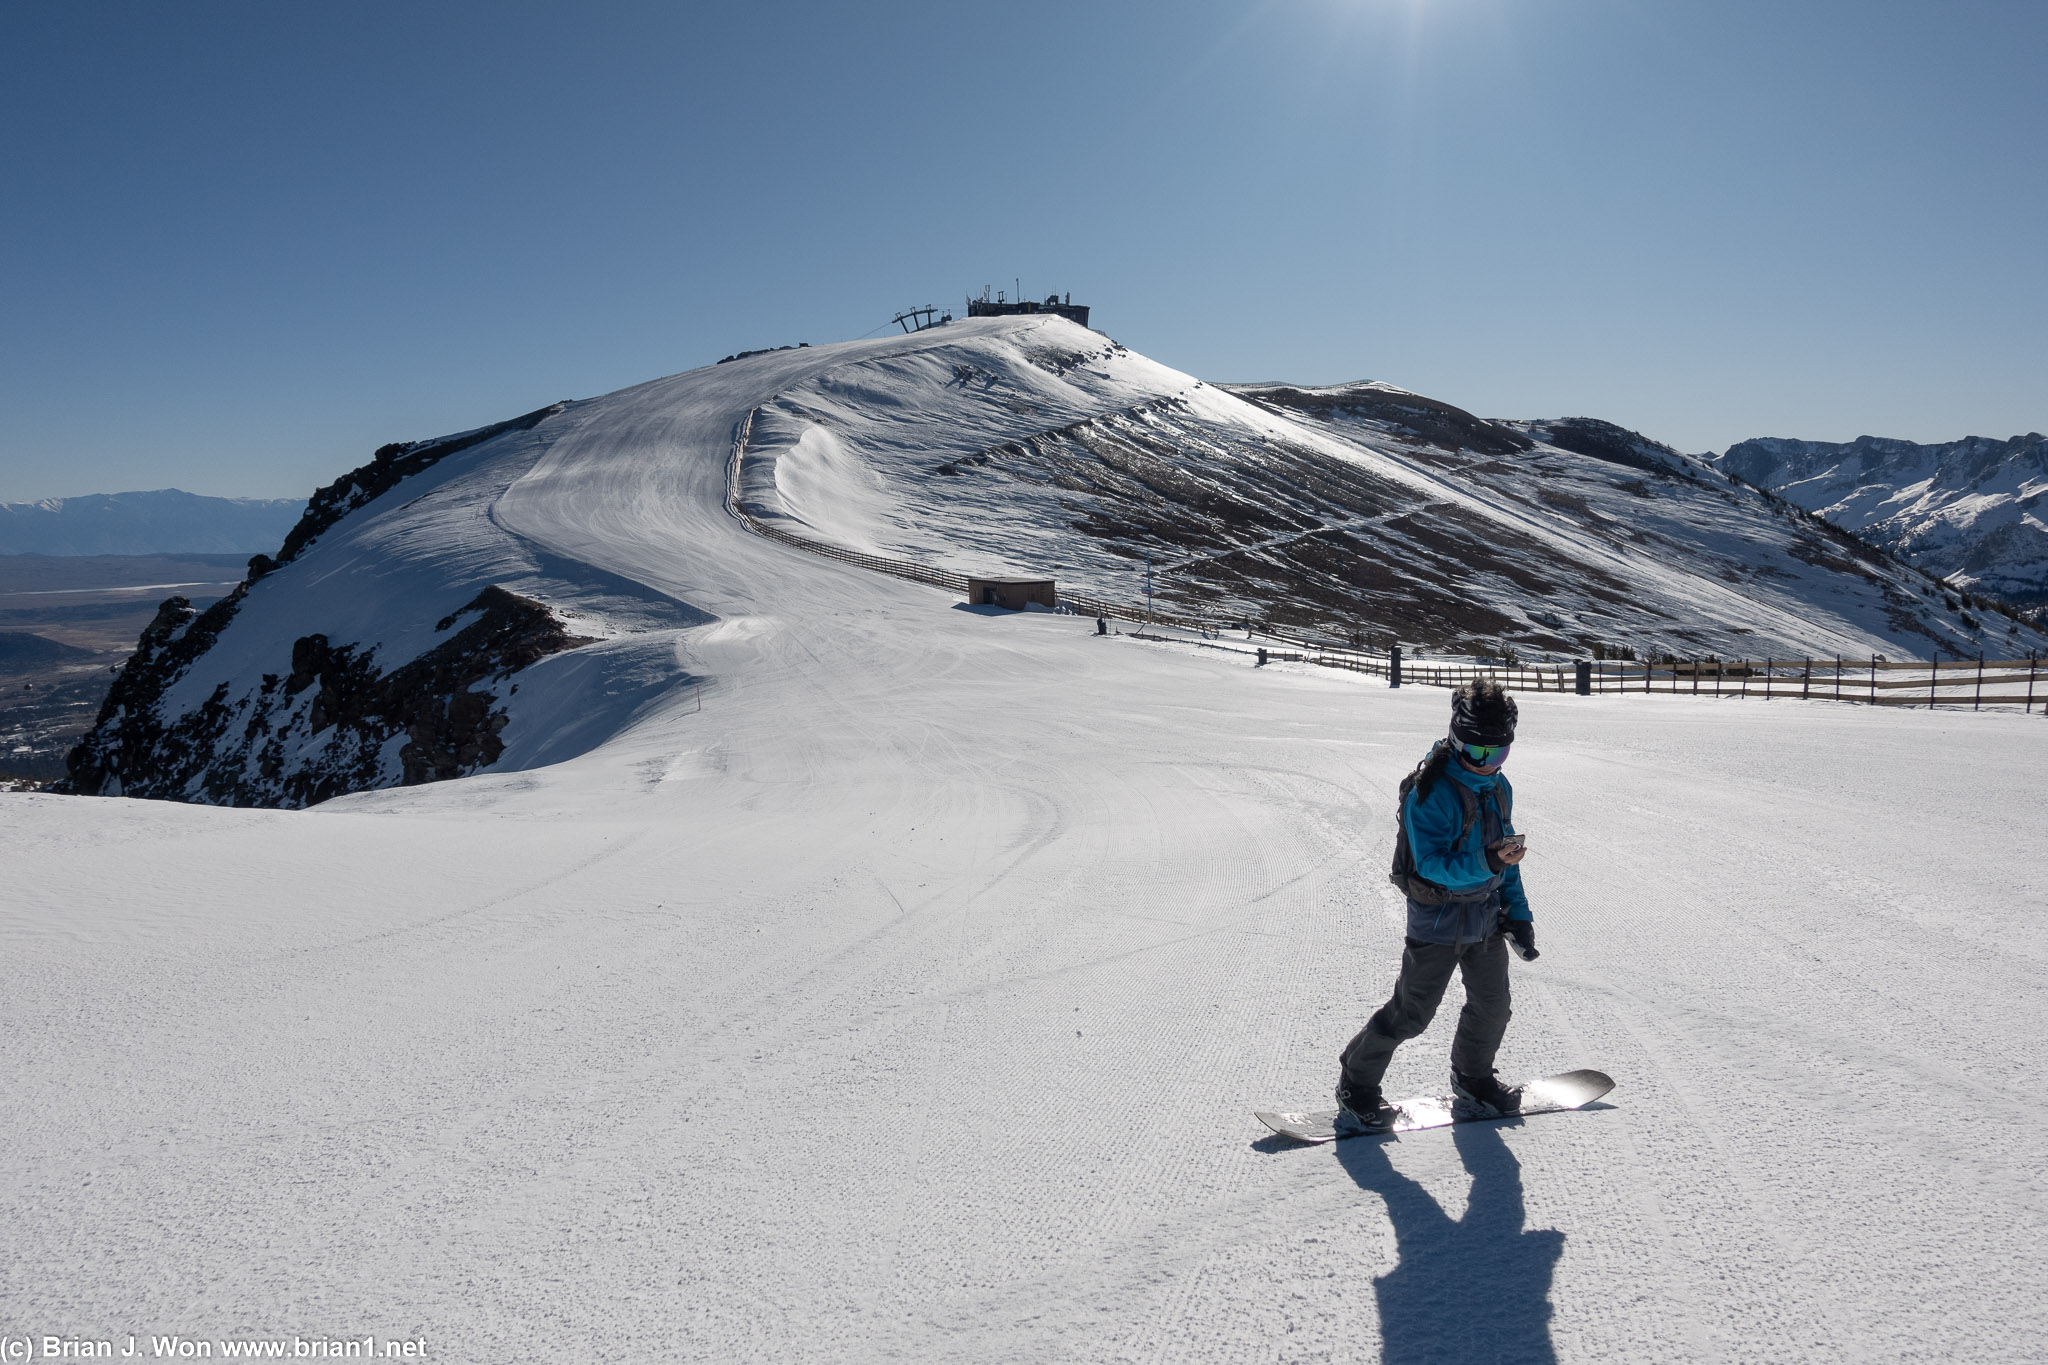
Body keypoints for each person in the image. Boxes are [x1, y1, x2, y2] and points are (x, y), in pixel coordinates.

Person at [1335, 679, 1537, 1132]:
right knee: (1410, 1015)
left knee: (1493, 1007)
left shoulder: (1498, 789)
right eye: (1474, 752)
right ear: (1453, 739)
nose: (1486, 764)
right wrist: (1486, 860)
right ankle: (1356, 1084)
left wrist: (1518, 916)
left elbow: (1508, 861)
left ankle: (1473, 1079)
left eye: (1497, 753)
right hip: (1438, 922)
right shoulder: (1430, 791)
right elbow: (1430, 866)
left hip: (1484, 921)